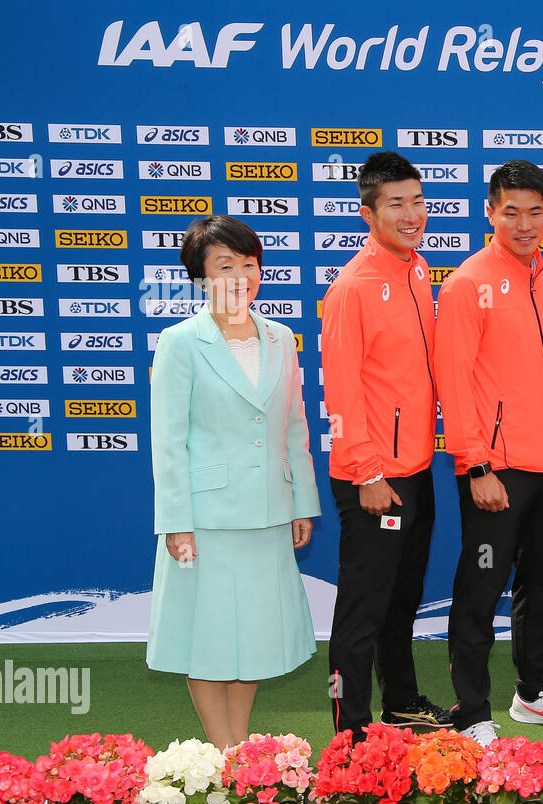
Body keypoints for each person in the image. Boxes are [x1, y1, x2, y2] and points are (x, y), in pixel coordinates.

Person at [149, 215, 319, 750]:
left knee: (255, 641)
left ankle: (241, 750)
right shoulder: (181, 342)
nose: (241, 276)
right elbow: (168, 441)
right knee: (210, 638)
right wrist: (177, 523)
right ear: (200, 276)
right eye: (225, 265)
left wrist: (302, 504)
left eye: (250, 264)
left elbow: (294, 427)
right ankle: (220, 752)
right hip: (208, 517)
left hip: (269, 511)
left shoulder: (280, 338)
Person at [434, 159, 543, 747]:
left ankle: (532, 694)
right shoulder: (468, 283)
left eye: (535, 212)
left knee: (541, 588)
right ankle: (472, 710)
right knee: (479, 592)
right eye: (511, 212)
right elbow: (455, 380)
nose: (524, 224)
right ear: (489, 213)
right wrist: (476, 464)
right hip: (495, 470)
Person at [321, 151, 451, 741]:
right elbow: (343, 393)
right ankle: (350, 734)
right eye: (396, 204)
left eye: (417, 202)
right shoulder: (353, 286)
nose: (411, 214)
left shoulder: (418, 270)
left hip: (416, 469)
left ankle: (401, 704)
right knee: (363, 610)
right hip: (373, 477)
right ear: (367, 211)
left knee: (403, 600)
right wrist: (369, 474)